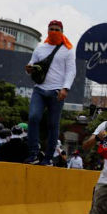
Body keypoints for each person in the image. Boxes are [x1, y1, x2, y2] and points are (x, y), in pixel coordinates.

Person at [25, 20, 76, 165]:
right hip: (40, 89)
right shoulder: (40, 47)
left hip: (56, 92)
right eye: (51, 29)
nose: (54, 32)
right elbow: (31, 64)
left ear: (62, 31)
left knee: (53, 125)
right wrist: (28, 68)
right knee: (33, 117)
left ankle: (47, 159)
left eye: (57, 29)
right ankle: (33, 153)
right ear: (47, 31)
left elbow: (71, 71)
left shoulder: (68, 49)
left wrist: (65, 88)